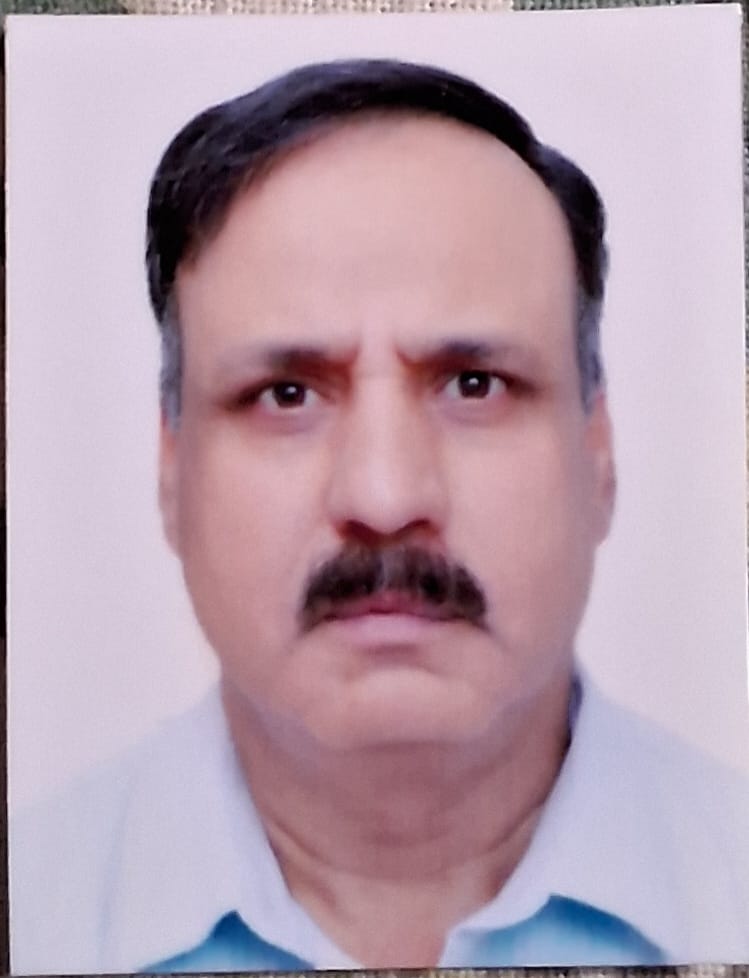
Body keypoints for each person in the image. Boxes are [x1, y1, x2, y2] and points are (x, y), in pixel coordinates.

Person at [10, 58, 749, 974]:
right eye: (285, 394)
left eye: (474, 384)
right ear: (172, 469)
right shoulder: (30, 912)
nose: (385, 498)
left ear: (596, 452)